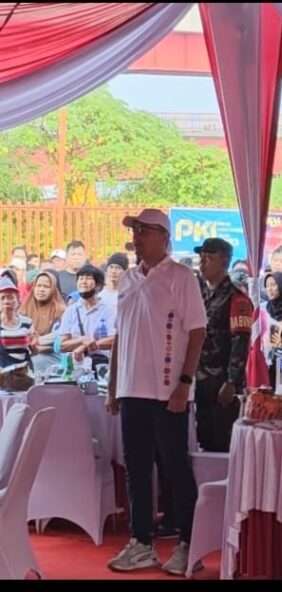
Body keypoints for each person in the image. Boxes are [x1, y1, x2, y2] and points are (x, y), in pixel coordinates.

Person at [105, 209, 206, 575]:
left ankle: (189, 542)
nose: (137, 237)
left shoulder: (181, 277)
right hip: (132, 388)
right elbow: (121, 335)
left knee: (175, 467)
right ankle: (142, 541)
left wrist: (185, 382)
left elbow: (197, 331)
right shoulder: (128, 279)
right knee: (135, 467)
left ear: (164, 236)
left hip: (168, 391)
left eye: (144, 231)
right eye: (135, 230)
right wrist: (113, 386)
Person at [194, 238, 251, 453]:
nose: (202, 263)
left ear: (225, 261)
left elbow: (240, 343)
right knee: (203, 440)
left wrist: (231, 382)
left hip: (221, 383)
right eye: (201, 258)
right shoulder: (201, 295)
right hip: (200, 381)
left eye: (208, 258)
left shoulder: (237, 298)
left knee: (222, 442)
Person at [58, 265, 116, 366]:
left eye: (88, 278)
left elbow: (114, 340)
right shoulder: (71, 310)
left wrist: (86, 346)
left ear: (98, 285)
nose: (83, 282)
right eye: (80, 278)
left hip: (101, 366)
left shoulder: (108, 310)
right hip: (76, 367)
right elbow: (62, 345)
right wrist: (82, 340)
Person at [20, 270, 65, 374]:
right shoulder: (25, 308)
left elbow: (61, 335)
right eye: (38, 286)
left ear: (53, 289)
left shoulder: (60, 310)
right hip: (27, 352)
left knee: (31, 365)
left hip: (52, 355)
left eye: (46, 286)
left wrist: (38, 343)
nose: (41, 290)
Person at [0, 278, 34, 369]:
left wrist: (34, 344)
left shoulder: (27, 322)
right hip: (3, 372)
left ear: (18, 300)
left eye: (10, 297)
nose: (6, 301)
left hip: (24, 371)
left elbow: (34, 350)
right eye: (2, 298)